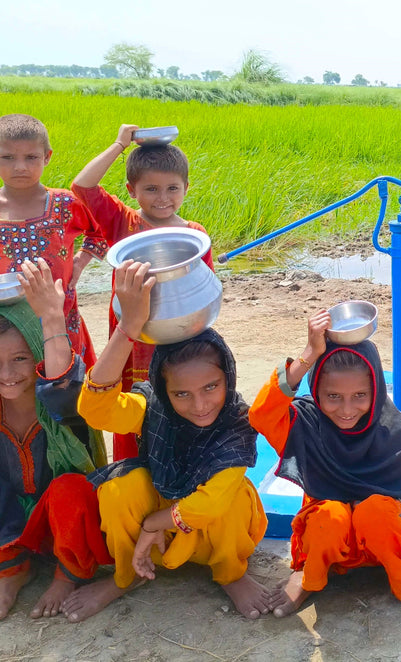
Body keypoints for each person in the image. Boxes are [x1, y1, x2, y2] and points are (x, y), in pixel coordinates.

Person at [60, 261, 269, 622]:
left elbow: (208, 507)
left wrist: (155, 522)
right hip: (158, 535)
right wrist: (127, 328)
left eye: (211, 387)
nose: (200, 405)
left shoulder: (236, 421)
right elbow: (96, 410)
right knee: (118, 490)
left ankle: (231, 573)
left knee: (232, 498)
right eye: (181, 394)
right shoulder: (152, 407)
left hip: (209, 530)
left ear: (228, 378)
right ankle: (128, 577)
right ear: (162, 389)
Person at [249, 309, 401, 616]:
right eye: (333, 396)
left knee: (376, 511)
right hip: (328, 545)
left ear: (377, 391)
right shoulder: (304, 425)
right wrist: (308, 355)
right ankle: (309, 575)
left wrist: (385, 522)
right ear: (315, 390)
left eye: (360, 395)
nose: (346, 409)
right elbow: (261, 416)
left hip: (383, 543)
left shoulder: (395, 432)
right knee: (329, 515)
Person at [0, 258, 110, 621]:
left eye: (20, 358)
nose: (6, 374)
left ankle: (68, 573)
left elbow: (61, 380)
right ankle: (12, 568)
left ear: (38, 351)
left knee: (71, 487)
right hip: (12, 520)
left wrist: (52, 317)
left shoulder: (61, 400)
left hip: (68, 524)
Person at [72, 124, 213, 461]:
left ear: (186, 188)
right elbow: (82, 186)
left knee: (178, 393)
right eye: (150, 189)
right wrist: (120, 143)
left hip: (179, 329)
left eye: (172, 188)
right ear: (131, 190)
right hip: (131, 332)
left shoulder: (195, 234)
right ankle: (133, 465)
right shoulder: (123, 222)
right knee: (132, 402)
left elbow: (204, 289)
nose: (162, 198)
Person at [0, 114, 109, 367]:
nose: (20, 167)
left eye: (31, 157)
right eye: (8, 157)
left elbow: (103, 227)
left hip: (62, 316)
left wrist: (80, 263)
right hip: (7, 319)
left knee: (65, 386)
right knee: (12, 380)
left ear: (47, 157)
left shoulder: (66, 203)